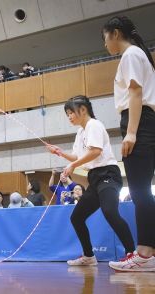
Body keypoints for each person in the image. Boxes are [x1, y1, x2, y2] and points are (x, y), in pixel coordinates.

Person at [47, 95, 135, 267]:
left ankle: (131, 253)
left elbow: (95, 152)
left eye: (71, 112)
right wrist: (59, 152)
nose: (69, 117)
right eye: (67, 114)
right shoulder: (80, 132)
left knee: (109, 211)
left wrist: (73, 165)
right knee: (77, 217)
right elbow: (78, 156)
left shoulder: (94, 125)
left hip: (108, 174)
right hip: (94, 178)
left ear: (83, 110)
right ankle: (88, 256)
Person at [102, 16, 155, 271]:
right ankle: (148, 252)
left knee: (140, 190)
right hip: (145, 121)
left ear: (114, 33)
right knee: (142, 191)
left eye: (104, 38)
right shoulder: (137, 54)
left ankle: (144, 254)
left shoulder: (131, 54)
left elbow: (135, 93)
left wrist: (131, 132)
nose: (105, 44)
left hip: (139, 122)